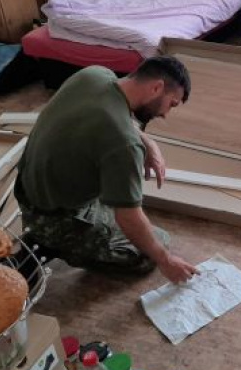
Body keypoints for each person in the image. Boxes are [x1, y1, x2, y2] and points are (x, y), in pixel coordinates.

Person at [16, 57, 197, 284]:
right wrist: (165, 260)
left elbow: (110, 116)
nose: (166, 114)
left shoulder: (93, 75)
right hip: (56, 218)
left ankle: (47, 235)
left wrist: (147, 141)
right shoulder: (124, 143)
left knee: (117, 198)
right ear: (156, 88)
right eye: (172, 104)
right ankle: (51, 244)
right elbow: (129, 217)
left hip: (28, 191)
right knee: (154, 246)